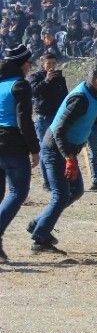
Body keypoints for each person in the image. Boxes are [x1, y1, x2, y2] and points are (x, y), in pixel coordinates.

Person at [29, 62, 97, 254]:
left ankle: (38, 224)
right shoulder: (80, 98)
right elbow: (58, 131)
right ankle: (40, 239)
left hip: (67, 151)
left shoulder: (96, 94)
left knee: (77, 191)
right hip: (55, 150)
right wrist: (69, 158)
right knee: (61, 195)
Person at [0, 45, 40, 262]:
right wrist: (34, 149)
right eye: (29, 63)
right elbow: (24, 121)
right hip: (12, 143)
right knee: (17, 192)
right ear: (23, 64)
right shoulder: (20, 85)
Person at [27, 53, 67, 191]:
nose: (51, 66)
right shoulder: (35, 77)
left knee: (59, 149)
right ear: (42, 63)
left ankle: (59, 179)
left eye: (53, 63)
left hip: (58, 118)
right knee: (45, 150)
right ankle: (47, 181)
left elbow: (64, 96)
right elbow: (34, 92)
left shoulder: (59, 77)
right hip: (43, 118)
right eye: (48, 63)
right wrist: (46, 80)